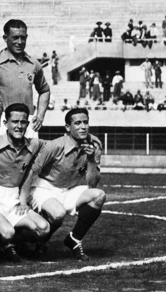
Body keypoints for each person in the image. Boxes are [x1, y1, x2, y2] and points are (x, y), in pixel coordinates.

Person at [29, 108, 106, 261]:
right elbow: (32, 171)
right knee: (57, 214)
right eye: (77, 123)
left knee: (99, 196)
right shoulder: (55, 146)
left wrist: (91, 159)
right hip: (45, 188)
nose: (83, 127)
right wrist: (23, 199)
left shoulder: (94, 144)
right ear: (67, 127)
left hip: (68, 189)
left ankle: (74, 239)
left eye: (85, 122)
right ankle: (42, 240)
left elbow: (92, 183)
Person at [0, 103, 50, 262]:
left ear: (28, 124)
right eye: (14, 122)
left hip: (14, 199)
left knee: (44, 229)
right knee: (7, 232)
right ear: (5, 123)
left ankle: (17, 243)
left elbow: (56, 146)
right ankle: (2, 243)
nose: (19, 126)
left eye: (23, 122)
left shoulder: (33, 144)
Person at [0, 19, 51, 138]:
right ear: (5, 38)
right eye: (15, 37)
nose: (20, 42)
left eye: (23, 38)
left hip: (27, 122)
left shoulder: (33, 64)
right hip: (2, 122)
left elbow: (44, 90)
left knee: (30, 156)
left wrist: (40, 116)